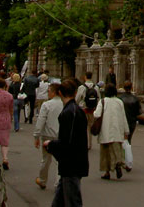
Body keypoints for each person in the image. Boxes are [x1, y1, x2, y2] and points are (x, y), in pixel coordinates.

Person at [45, 78, 89, 207]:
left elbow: (66, 142)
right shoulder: (76, 110)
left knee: (72, 201)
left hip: (71, 164)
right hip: (73, 163)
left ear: (60, 93)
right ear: (75, 93)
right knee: (60, 200)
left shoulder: (69, 113)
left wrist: (50, 144)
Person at [94, 83, 129, 180]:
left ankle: (107, 172)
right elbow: (123, 116)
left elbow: (97, 114)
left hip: (105, 130)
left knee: (105, 152)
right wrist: (126, 130)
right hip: (117, 130)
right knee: (117, 149)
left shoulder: (103, 101)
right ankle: (118, 162)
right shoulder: (119, 102)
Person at [34, 82, 63, 190]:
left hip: (47, 135)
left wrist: (36, 135)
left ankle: (42, 180)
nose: (47, 93)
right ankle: (58, 183)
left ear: (54, 92)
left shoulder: (46, 105)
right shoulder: (64, 104)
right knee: (59, 161)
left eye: (49, 91)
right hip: (60, 136)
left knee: (45, 159)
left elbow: (41, 120)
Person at [75, 71, 99, 149]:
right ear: (91, 77)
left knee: (83, 127)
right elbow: (98, 98)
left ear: (85, 77)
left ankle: (84, 143)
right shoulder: (96, 87)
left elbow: (77, 99)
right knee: (90, 126)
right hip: (92, 110)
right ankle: (90, 144)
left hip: (83, 109)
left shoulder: (81, 87)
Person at [118, 80, 142, 145]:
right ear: (131, 87)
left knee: (122, 138)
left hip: (122, 121)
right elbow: (139, 112)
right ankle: (128, 151)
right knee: (129, 138)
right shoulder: (135, 99)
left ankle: (123, 151)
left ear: (124, 88)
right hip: (132, 122)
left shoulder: (120, 98)